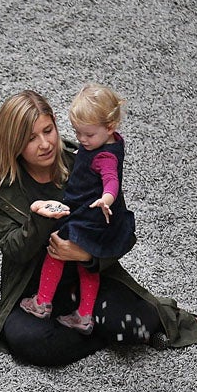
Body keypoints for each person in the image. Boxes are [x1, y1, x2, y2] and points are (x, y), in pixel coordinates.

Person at [0, 89, 197, 367]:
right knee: (30, 343)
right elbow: (14, 250)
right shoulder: (1, 190)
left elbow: (123, 235)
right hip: (32, 292)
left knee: (136, 322)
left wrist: (86, 256)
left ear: (56, 123)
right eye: (31, 138)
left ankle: (102, 326)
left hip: (87, 281)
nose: (44, 144)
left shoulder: (86, 159)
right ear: (14, 142)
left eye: (48, 130)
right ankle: (104, 333)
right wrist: (39, 219)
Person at [19, 84, 136, 335]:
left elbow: (111, 179)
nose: (82, 140)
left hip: (87, 214)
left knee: (57, 252)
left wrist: (107, 198)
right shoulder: (105, 140)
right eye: (77, 132)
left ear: (110, 127)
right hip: (93, 217)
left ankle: (42, 302)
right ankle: (84, 315)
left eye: (88, 135)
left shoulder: (105, 156)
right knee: (86, 264)